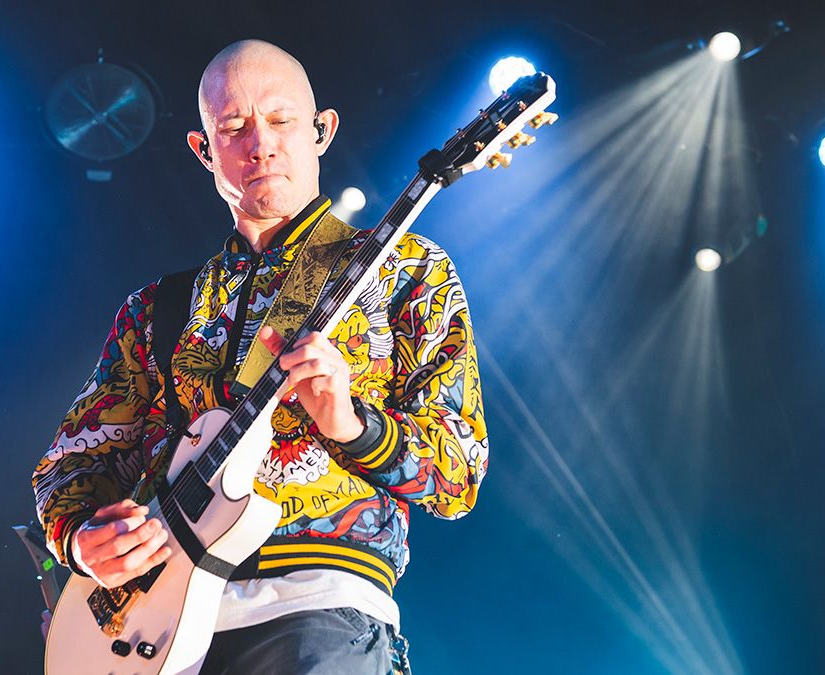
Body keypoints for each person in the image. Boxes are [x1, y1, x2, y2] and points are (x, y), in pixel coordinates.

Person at [33, 39, 489, 674]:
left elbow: (458, 470)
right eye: (234, 126)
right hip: (149, 632)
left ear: (322, 130)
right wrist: (84, 544)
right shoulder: (156, 309)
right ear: (204, 149)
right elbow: (70, 463)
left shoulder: (407, 271)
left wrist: (349, 425)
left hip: (319, 612)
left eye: (281, 120)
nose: (261, 144)